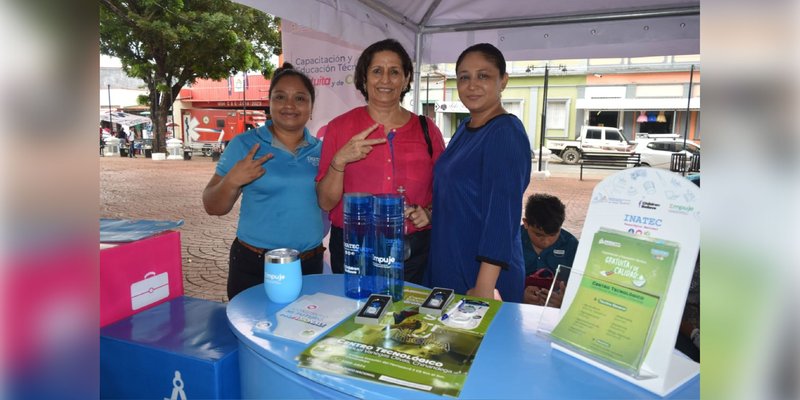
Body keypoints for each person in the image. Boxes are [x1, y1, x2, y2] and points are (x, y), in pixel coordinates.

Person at [316, 39, 445, 285]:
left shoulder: (427, 130)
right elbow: (325, 201)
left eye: (394, 72)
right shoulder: (339, 128)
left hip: (411, 252)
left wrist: (429, 212)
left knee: (406, 318)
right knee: (354, 316)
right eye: (377, 71)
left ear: (406, 79)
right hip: (354, 248)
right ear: (364, 79)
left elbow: (446, 190)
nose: (385, 80)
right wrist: (340, 161)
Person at [202, 63, 325, 300]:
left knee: (303, 333)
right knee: (250, 333)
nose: (289, 105)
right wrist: (232, 180)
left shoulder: (322, 150)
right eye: (280, 97)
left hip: (309, 265)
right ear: (270, 104)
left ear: (311, 108)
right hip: (254, 265)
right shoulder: (245, 144)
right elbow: (212, 206)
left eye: (300, 98)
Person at [426, 43, 531, 303]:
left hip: (483, 276)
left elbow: (502, 216)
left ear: (503, 81)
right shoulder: (465, 128)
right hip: (449, 260)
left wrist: (484, 286)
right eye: (464, 77)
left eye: (483, 76)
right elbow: (462, 194)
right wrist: (429, 213)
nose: (472, 85)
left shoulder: (505, 133)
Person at [520, 193, 579, 307]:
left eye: (552, 235)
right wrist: (518, 296)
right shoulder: (512, 242)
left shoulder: (571, 246)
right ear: (526, 223)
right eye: (539, 235)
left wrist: (563, 302)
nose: (546, 241)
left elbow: (579, 287)